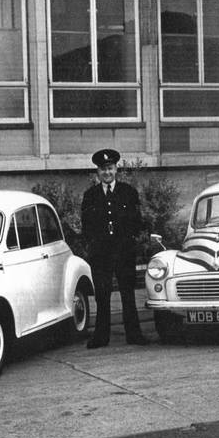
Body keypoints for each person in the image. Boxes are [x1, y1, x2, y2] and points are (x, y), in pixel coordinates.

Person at [80, 149, 149, 348]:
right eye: (103, 170)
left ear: (116, 169)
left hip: (124, 250)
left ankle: (134, 335)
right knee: (102, 295)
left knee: (128, 294)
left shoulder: (128, 192)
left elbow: (137, 221)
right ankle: (101, 337)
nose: (107, 173)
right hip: (101, 253)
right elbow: (87, 225)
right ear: (97, 172)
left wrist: (129, 241)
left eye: (110, 168)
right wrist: (94, 244)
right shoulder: (90, 195)